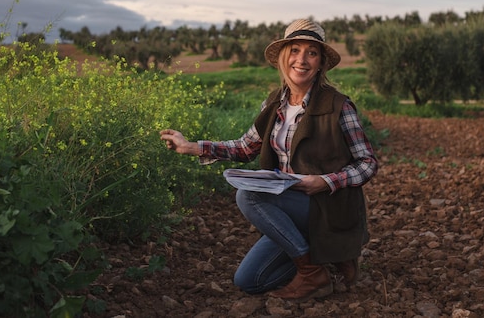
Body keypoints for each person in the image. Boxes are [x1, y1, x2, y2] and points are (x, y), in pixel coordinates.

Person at [160, 18, 378, 301]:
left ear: (321, 63)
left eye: (312, 52)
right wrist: (192, 147)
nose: (302, 59)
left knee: (248, 197)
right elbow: (245, 147)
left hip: (326, 206)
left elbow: (367, 163)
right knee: (248, 281)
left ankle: (312, 272)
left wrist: (324, 182)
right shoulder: (274, 103)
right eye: (295, 50)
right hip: (290, 209)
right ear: (284, 58)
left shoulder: (339, 105)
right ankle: (323, 258)